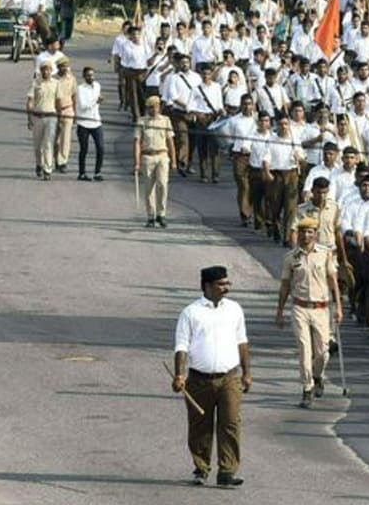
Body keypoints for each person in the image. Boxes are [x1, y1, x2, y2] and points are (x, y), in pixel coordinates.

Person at [172, 265, 251, 487]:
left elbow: (242, 342)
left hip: (229, 378)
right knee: (200, 426)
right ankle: (201, 468)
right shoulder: (191, 312)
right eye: (221, 284)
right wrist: (179, 374)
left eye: (227, 284)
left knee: (231, 423)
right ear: (207, 286)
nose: (226, 288)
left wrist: (247, 373)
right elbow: (182, 346)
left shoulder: (234, 309)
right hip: (199, 380)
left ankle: (227, 471)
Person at [274, 216, 343, 409]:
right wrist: (279, 311)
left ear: (315, 234)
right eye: (303, 231)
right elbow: (285, 286)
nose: (306, 235)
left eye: (310, 232)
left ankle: (317, 375)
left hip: (321, 308)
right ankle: (307, 388)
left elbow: (333, 281)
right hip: (300, 307)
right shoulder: (291, 257)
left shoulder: (325, 254)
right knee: (305, 349)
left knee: (322, 351)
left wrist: (338, 307)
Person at [134, 95, 177, 228]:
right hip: (147, 156)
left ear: (159, 107)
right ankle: (151, 216)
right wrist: (137, 162)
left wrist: (174, 161)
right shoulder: (141, 121)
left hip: (162, 155)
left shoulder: (165, 121)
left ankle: (161, 214)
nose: (153, 109)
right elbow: (137, 142)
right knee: (149, 188)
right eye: (150, 107)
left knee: (163, 185)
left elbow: (170, 141)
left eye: (155, 107)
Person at [26, 61, 59, 180]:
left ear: (51, 70)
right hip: (37, 118)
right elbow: (29, 102)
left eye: (48, 69)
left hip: (51, 117)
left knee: (48, 144)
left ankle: (48, 170)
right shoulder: (35, 83)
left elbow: (59, 101)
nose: (46, 72)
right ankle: (39, 164)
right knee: (37, 146)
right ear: (40, 71)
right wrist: (29, 118)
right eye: (44, 69)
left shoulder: (56, 83)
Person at [74, 66, 105, 181]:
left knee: (101, 148)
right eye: (88, 75)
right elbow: (83, 106)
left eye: (92, 75)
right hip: (83, 123)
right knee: (84, 149)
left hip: (96, 121)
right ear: (84, 76)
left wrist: (98, 101)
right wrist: (96, 101)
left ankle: (97, 172)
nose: (90, 77)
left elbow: (97, 102)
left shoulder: (97, 85)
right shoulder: (80, 89)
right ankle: (82, 173)